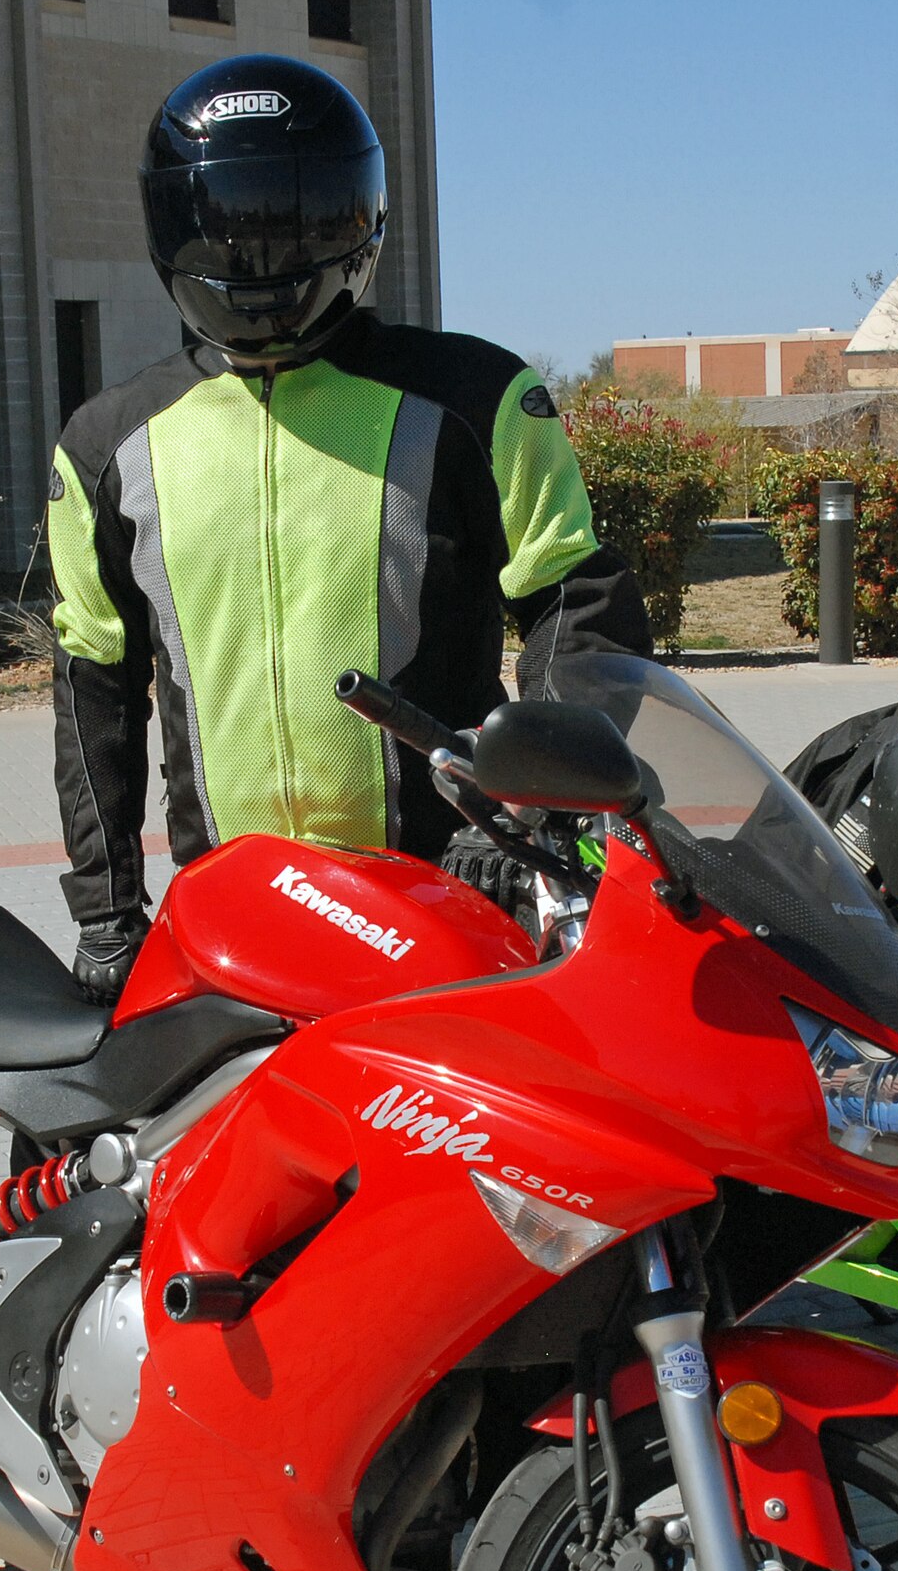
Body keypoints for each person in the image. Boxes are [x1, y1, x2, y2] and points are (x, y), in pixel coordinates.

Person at [48, 53, 653, 1004]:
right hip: (227, 919)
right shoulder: (106, 446)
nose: (258, 253)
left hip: (441, 898)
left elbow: (577, 605)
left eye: (294, 218)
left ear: (357, 216)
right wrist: (104, 913)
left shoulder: (476, 400)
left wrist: (520, 817)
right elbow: (94, 687)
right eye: (230, 221)